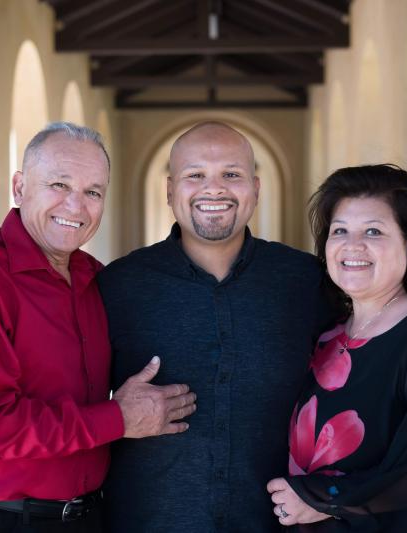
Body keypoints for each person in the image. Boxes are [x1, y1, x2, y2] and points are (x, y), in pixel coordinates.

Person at [0, 122, 196, 533]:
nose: (76, 206)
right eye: (59, 184)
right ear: (20, 188)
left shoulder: (96, 279)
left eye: (93, 192)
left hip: (87, 517)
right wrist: (116, 419)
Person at [98, 121, 334, 532]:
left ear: (255, 189)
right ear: (170, 191)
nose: (215, 188)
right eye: (195, 175)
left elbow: (359, 385)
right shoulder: (118, 286)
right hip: (146, 522)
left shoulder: (306, 280)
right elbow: (62, 386)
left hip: (274, 525)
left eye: (231, 174)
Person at [267, 164, 407, 531]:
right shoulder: (329, 335)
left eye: (373, 231)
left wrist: (327, 497)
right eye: (339, 230)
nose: (352, 245)